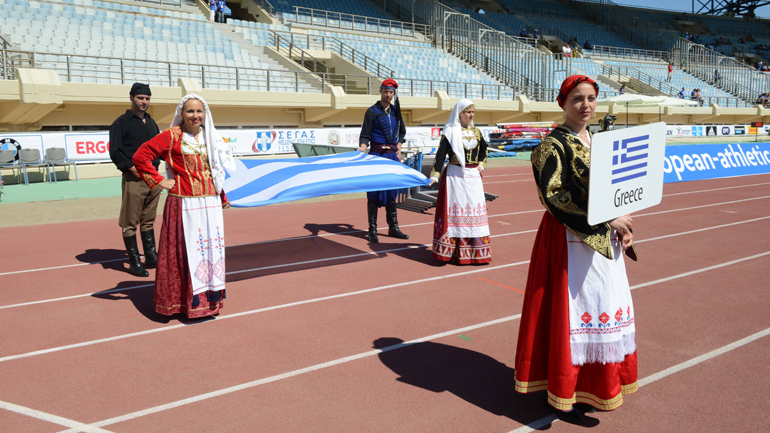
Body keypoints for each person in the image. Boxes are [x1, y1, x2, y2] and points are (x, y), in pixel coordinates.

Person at [515, 75, 638, 425]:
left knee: (603, 305)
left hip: (606, 237)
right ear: (563, 104)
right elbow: (555, 196)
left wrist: (624, 223)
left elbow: (617, 190)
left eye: (592, 99)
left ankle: (593, 385)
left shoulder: (600, 141)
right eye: (578, 99)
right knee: (571, 313)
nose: (586, 105)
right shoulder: (550, 146)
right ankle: (562, 392)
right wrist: (604, 222)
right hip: (568, 239)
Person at [132, 94, 236, 318]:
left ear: (204, 114)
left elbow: (215, 171)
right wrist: (159, 181)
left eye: (199, 111)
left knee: (209, 253)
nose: (195, 116)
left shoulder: (212, 138)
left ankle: (207, 304)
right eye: (190, 111)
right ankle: (179, 303)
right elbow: (141, 156)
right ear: (181, 113)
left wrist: (222, 196)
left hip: (210, 205)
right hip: (183, 203)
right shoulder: (171, 136)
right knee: (184, 253)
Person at [428, 99, 491, 264]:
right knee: (456, 214)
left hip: (473, 178)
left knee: (473, 213)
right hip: (455, 176)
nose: (471, 115)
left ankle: (475, 252)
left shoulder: (477, 132)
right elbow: (440, 155)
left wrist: (481, 165)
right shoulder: (450, 132)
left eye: (472, 112)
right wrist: (434, 175)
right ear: (460, 114)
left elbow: (484, 151)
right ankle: (454, 252)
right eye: (468, 112)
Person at [109, 83, 161, 277]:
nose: (144, 102)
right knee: (130, 222)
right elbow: (116, 152)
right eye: (140, 98)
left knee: (148, 221)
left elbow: (159, 149)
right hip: (134, 179)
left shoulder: (152, 122)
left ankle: (151, 257)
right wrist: (132, 169)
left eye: (147, 98)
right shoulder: (120, 123)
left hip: (153, 179)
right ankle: (133, 261)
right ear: (131, 98)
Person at [358, 78, 409, 243]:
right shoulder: (372, 111)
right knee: (374, 191)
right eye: (386, 91)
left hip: (392, 157)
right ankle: (372, 228)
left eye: (391, 92)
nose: (388, 95)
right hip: (376, 156)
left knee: (392, 191)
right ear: (380, 91)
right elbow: (365, 134)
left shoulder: (396, 111)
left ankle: (393, 227)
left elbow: (402, 132)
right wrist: (362, 148)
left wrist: (399, 145)